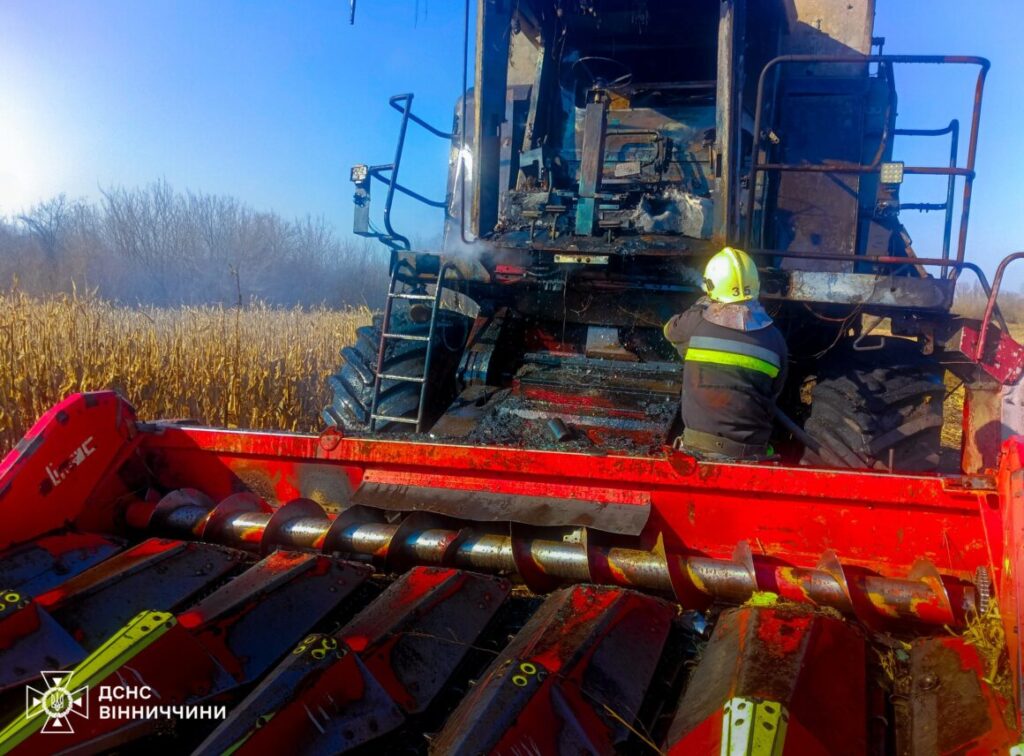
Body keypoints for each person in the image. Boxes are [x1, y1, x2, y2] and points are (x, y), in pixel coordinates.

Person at [663, 247, 787, 460]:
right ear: (755, 286)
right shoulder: (775, 340)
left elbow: (669, 331)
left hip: (697, 450)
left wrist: (700, 306)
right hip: (752, 455)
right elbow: (775, 391)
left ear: (711, 285)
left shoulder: (696, 322)